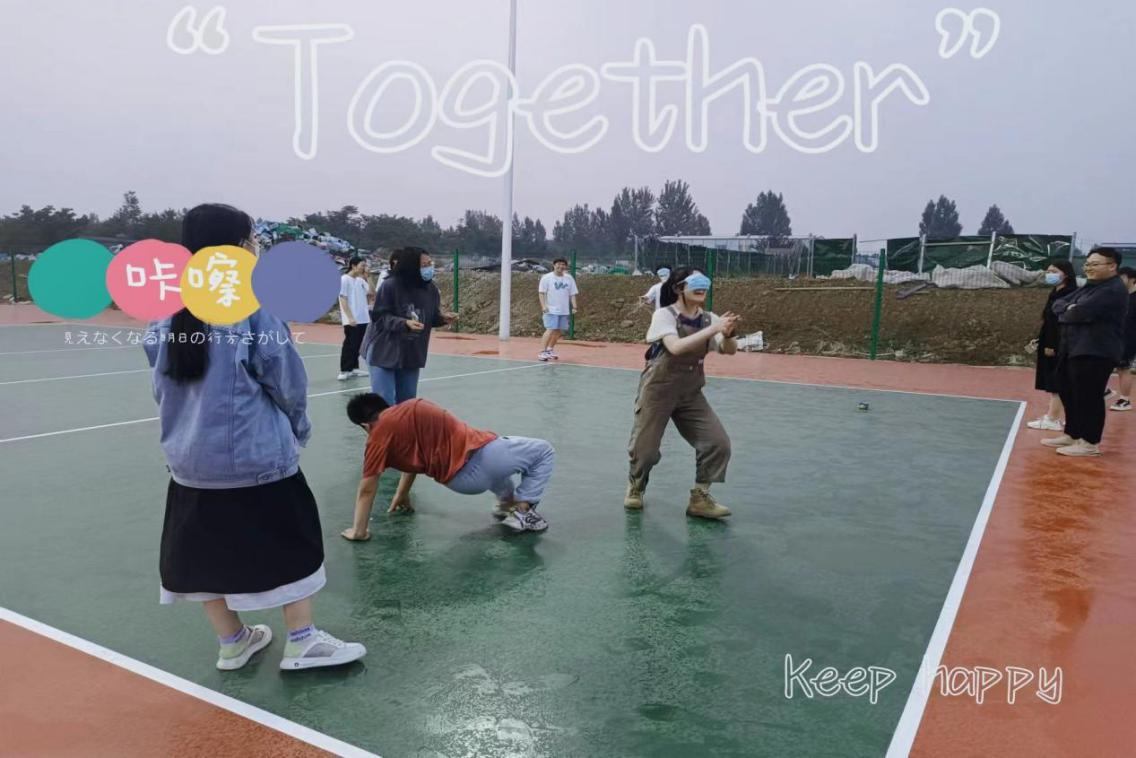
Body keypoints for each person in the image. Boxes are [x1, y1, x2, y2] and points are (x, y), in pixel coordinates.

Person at [144, 203, 365, 672]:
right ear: (238, 246)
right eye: (253, 239)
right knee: (291, 541)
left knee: (203, 553)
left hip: (190, 462)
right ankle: (302, 642)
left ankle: (233, 642)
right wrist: (299, 428)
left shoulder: (164, 308)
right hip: (255, 457)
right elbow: (285, 380)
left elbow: (161, 385)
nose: (256, 247)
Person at [340, 393, 554, 537]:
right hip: (484, 457)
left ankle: (507, 504)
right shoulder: (414, 406)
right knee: (544, 451)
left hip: (461, 483)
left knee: (499, 474)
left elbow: (367, 489)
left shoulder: (375, 441)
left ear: (364, 425)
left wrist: (359, 531)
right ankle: (523, 510)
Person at [624, 268, 741, 519]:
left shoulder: (709, 319)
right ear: (679, 288)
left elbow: (729, 350)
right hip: (658, 390)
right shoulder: (664, 315)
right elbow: (675, 347)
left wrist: (729, 334)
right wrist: (714, 329)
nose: (702, 287)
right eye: (695, 282)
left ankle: (700, 498)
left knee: (717, 443)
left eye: (704, 282)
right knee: (645, 451)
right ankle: (636, 485)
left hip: (690, 391)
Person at [1044, 247, 1129, 456]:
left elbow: (1079, 312)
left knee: (1089, 396)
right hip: (1075, 348)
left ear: (1112, 266)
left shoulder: (1111, 290)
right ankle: (1072, 434)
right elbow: (1059, 305)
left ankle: (1090, 442)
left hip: (1096, 350)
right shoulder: (1090, 286)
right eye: (1088, 264)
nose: (1089, 268)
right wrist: (1069, 308)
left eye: (1095, 264)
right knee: (1068, 391)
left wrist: (1071, 310)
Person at [362, 246, 457, 405]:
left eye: (430, 263)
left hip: (411, 353)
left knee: (407, 402)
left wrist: (442, 318)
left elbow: (431, 317)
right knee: (385, 402)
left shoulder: (431, 290)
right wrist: (404, 323)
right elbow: (380, 317)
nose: (429, 268)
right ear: (411, 266)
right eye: (424, 265)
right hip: (383, 351)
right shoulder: (390, 285)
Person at [1026, 260, 1078, 430]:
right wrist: (1039, 339)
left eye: (1054, 271)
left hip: (1059, 344)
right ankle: (1058, 416)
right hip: (1049, 341)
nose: (1049, 275)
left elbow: (1060, 324)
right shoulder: (1055, 292)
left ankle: (1053, 419)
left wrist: (1051, 345)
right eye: (1048, 271)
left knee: (1057, 382)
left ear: (1066, 274)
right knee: (1055, 381)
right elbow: (1048, 321)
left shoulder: (1070, 294)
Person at [337, 256, 372, 381]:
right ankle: (344, 369)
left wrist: (368, 277)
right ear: (353, 266)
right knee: (350, 344)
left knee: (358, 344)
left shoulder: (361, 280)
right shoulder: (344, 279)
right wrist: (350, 317)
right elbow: (343, 299)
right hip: (352, 319)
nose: (364, 268)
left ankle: (353, 368)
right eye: (362, 265)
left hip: (363, 318)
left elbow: (371, 293)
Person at [537, 258, 579, 361]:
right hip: (551, 309)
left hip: (564, 310)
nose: (561, 266)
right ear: (554, 265)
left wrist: (574, 306)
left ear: (566, 266)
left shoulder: (569, 278)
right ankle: (542, 352)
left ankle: (550, 350)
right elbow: (541, 293)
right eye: (558, 264)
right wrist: (543, 306)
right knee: (550, 329)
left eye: (563, 264)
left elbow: (572, 294)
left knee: (559, 331)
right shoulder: (546, 278)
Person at [1108, 266, 1136, 411]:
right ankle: (1105, 391)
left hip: (1129, 339)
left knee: (1123, 368)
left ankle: (1125, 399)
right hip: (1115, 337)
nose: (1118, 280)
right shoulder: (1120, 296)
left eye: (1122, 277)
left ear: (1132, 279)